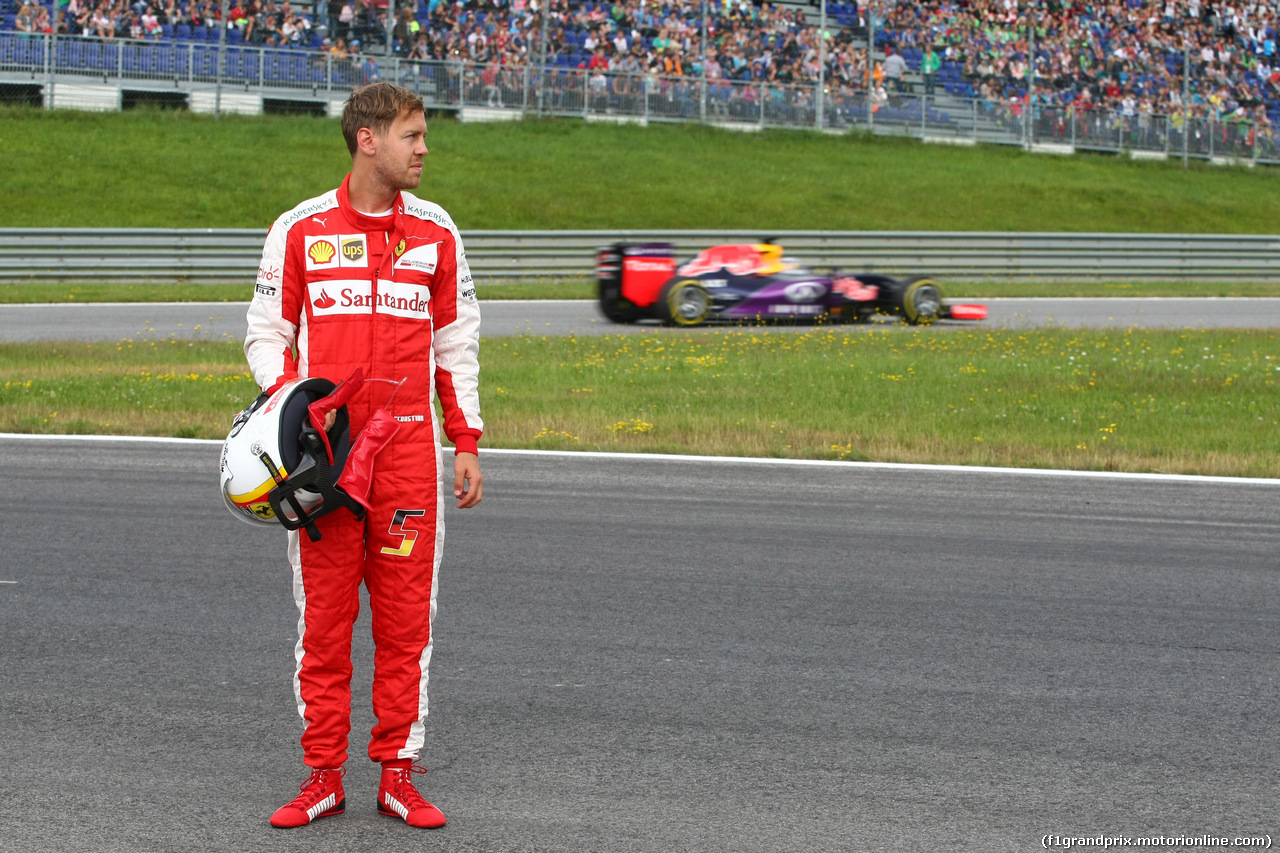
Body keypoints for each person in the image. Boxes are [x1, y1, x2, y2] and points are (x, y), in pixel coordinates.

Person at [244, 82, 484, 830]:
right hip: (328, 463)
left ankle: (397, 774)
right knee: (324, 619)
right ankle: (322, 774)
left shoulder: (438, 232)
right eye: (412, 135)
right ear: (367, 139)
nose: (423, 149)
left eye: (424, 135)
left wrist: (466, 438)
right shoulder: (300, 228)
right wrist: (292, 409)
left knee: (408, 620)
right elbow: (264, 332)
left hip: (412, 454)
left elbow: (456, 343)